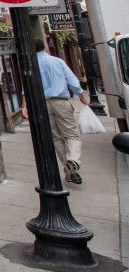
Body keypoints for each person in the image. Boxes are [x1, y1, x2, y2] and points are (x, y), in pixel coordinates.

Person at [36, 39, 90, 185]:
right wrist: (82, 97)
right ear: (44, 47)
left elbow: (25, 86)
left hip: (43, 104)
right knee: (72, 135)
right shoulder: (57, 61)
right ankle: (73, 160)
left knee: (56, 137)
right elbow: (73, 81)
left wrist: (24, 106)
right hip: (60, 101)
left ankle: (68, 171)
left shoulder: (32, 64)